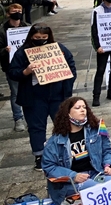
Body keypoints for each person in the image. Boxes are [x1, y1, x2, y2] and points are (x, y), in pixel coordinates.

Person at [9, 24, 76, 170]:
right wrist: (26, 72)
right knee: (36, 127)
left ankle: (65, 152)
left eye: (44, 38)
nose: (41, 40)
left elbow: (71, 66)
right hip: (34, 97)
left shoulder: (59, 48)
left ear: (49, 37)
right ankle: (40, 156)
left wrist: (67, 85)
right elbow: (12, 72)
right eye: (37, 38)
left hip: (57, 95)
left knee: (63, 124)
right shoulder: (22, 52)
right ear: (31, 36)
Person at [42, 97, 111, 205]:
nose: (82, 110)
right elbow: (48, 167)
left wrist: (108, 164)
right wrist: (73, 175)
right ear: (68, 113)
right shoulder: (55, 141)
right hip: (69, 183)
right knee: (97, 189)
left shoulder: (96, 129)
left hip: (95, 173)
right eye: (77, 107)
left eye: (84, 107)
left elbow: (107, 150)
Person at [0, 4, 28, 131]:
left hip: (27, 65)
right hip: (11, 66)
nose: (17, 12)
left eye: (19, 11)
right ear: (8, 14)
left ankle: (28, 116)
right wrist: (5, 50)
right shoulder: (2, 30)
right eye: (14, 11)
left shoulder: (26, 27)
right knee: (15, 93)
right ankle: (18, 118)